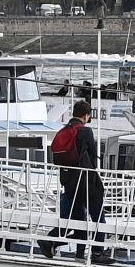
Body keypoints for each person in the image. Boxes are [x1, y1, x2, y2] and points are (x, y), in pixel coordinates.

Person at [48, 99, 103, 251]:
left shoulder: (63, 131)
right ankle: (98, 252)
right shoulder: (85, 131)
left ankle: (53, 243)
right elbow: (92, 157)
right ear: (86, 116)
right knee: (99, 217)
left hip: (69, 182)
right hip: (85, 181)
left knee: (77, 219)